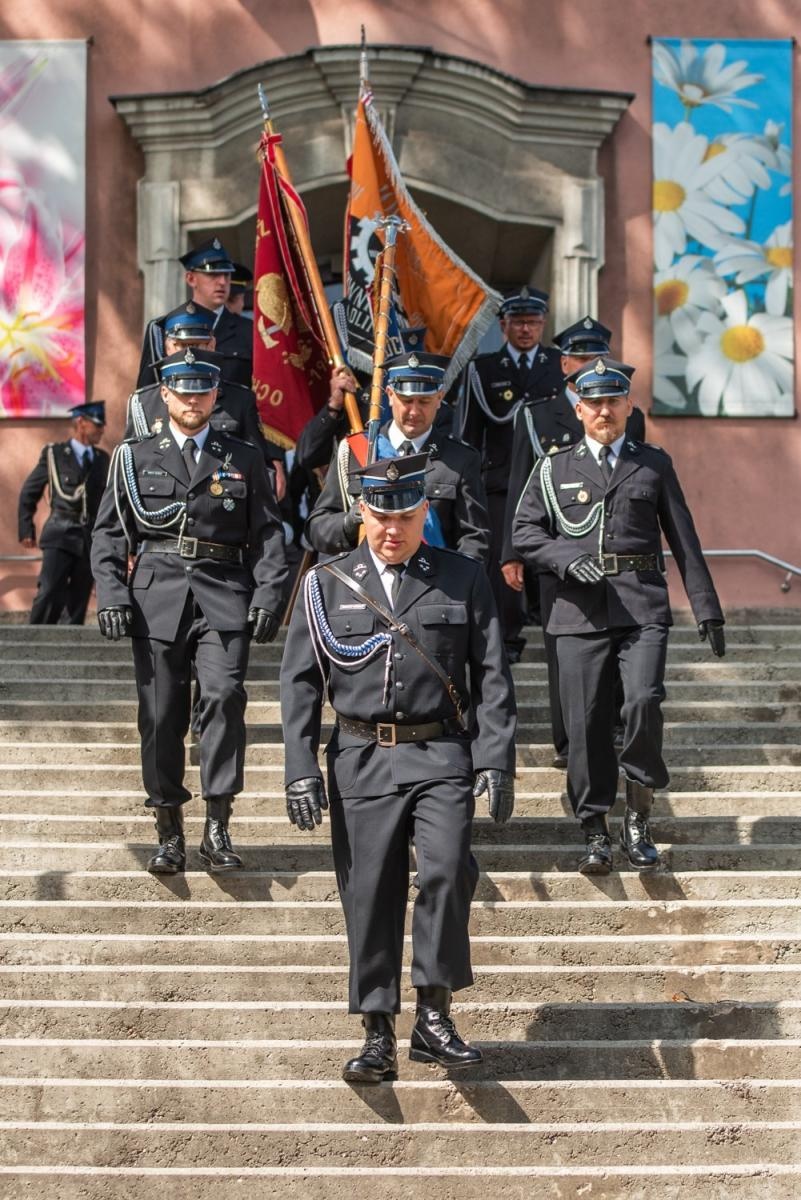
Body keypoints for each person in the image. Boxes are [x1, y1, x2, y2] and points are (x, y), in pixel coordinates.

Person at [280, 452, 516, 1082]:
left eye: (406, 517)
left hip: (440, 753)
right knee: (370, 891)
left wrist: (496, 759)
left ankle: (434, 1015)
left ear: (423, 513)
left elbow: (492, 676)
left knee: (446, 871)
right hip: (361, 757)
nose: (393, 529)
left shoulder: (462, 577)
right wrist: (300, 766)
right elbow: (300, 683)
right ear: (362, 512)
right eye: (382, 517)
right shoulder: (327, 582)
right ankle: (377, 1030)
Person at [512, 357, 725, 875]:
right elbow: (524, 531)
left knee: (643, 701)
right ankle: (594, 830)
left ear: (629, 406)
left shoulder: (653, 464)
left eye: (613, 401)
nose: (604, 411)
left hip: (640, 605)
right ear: (578, 409)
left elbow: (684, 539)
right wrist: (565, 558)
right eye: (594, 403)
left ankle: (638, 816)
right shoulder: (553, 468)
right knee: (585, 723)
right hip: (576, 611)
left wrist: (707, 608)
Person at [91, 350, 287, 875]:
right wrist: (112, 595)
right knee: (160, 715)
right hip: (156, 597)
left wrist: (269, 597)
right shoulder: (133, 457)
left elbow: (269, 534)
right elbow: (109, 533)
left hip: (224, 595)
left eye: (202, 390)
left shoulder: (243, 456)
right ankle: (169, 830)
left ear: (215, 395)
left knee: (224, 698)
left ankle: (217, 824)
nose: (193, 399)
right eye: (183, 390)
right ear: (165, 395)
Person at [501, 317, 646, 765]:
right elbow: (519, 484)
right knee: (561, 655)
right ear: (564, 363)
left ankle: (614, 728)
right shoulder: (536, 414)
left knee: (617, 648)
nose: (589, 364)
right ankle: (569, 742)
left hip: (610, 557)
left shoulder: (630, 416)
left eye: (598, 357)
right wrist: (512, 554)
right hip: (556, 556)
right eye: (581, 357)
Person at [457, 287, 563, 662]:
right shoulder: (483, 370)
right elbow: (470, 434)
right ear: (503, 326)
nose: (525, 330)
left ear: (543, 324)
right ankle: (508, 641)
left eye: (532, 322)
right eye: (518, 322)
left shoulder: (559, 364)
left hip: (552, 479)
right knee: (506, 562)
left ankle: (556, 631)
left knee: (551, 558)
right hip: (501, 482)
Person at [306, 350, 490, 562]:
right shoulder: (357, 450)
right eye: (406, 400)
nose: (414, 411)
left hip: (433, 579)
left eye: (424, 401)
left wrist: (454, 580)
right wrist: (349, 523)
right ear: (390, 395)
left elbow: (475, 539)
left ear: (439, 398)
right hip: (366, 578)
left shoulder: (460, 460)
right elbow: (318, 528)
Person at [126, 301, 286, 500]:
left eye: (197, 345)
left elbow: (261, 473)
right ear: (167, 347)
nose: (189, 355)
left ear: (211, 345)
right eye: (182, 345)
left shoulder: (239, 401)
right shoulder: (143, 404)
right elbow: (128, 471)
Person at [18, 401, 110, 625]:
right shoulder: (55, 454)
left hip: (88, 538)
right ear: (81, 422)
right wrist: (26, 528)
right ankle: (33, 638)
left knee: (79, 598)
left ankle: (69, 644)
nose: (101, 430)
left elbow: (108, 501)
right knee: (49, 590)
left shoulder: (102, 459)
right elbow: (30, 491)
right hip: (60, 532)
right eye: (97, 425)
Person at [136, 237, 253, 389]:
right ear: (191, 279)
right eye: (213, 275)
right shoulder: (161, 329)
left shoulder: (248, 330)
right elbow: (147, 391)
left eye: (227, 275)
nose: (222, 282)